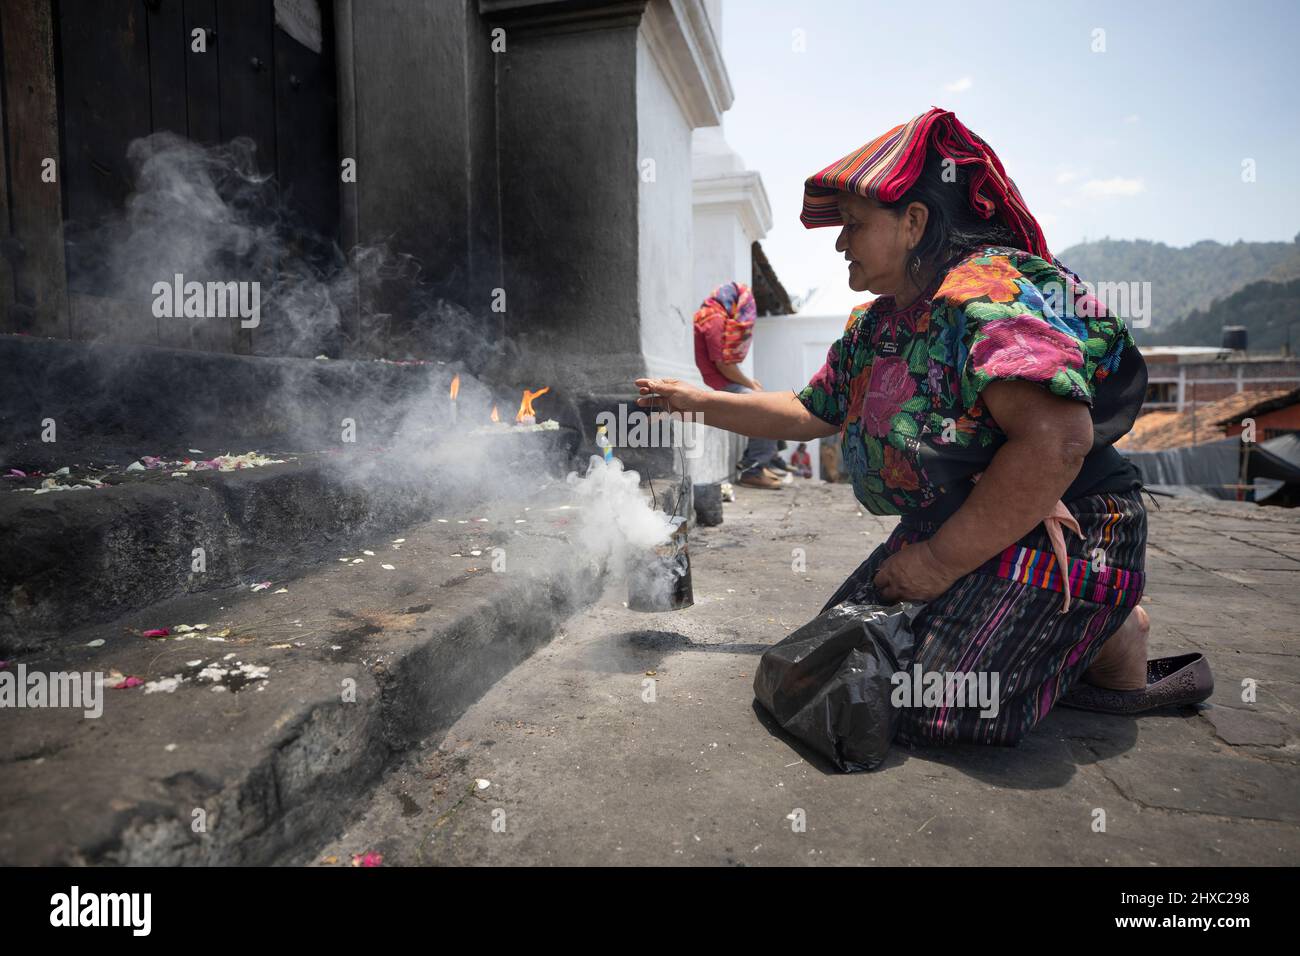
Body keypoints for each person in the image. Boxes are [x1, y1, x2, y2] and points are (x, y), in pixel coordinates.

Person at [637, 108, 1212, 747]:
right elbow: (810, 412)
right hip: (957, 521)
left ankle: (1111, 625)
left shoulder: (985, 295)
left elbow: (1058, 440)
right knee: (832, 664)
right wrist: (690, 399)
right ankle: (1061, 627)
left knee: (926, 701)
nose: (839, 243)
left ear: (913, 222)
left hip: (1070, 523)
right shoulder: (874, 326)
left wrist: (937, 564)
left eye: (853, 226)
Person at [692, 281, 785, 489]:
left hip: (721, 382)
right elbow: (724, 366)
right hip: (719, 384)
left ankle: (761, 462)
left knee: (770, 400)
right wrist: (750, 384)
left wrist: (751, 385)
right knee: (767, 407)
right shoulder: (713, 318)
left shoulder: (713, 314)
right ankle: (753, 469)